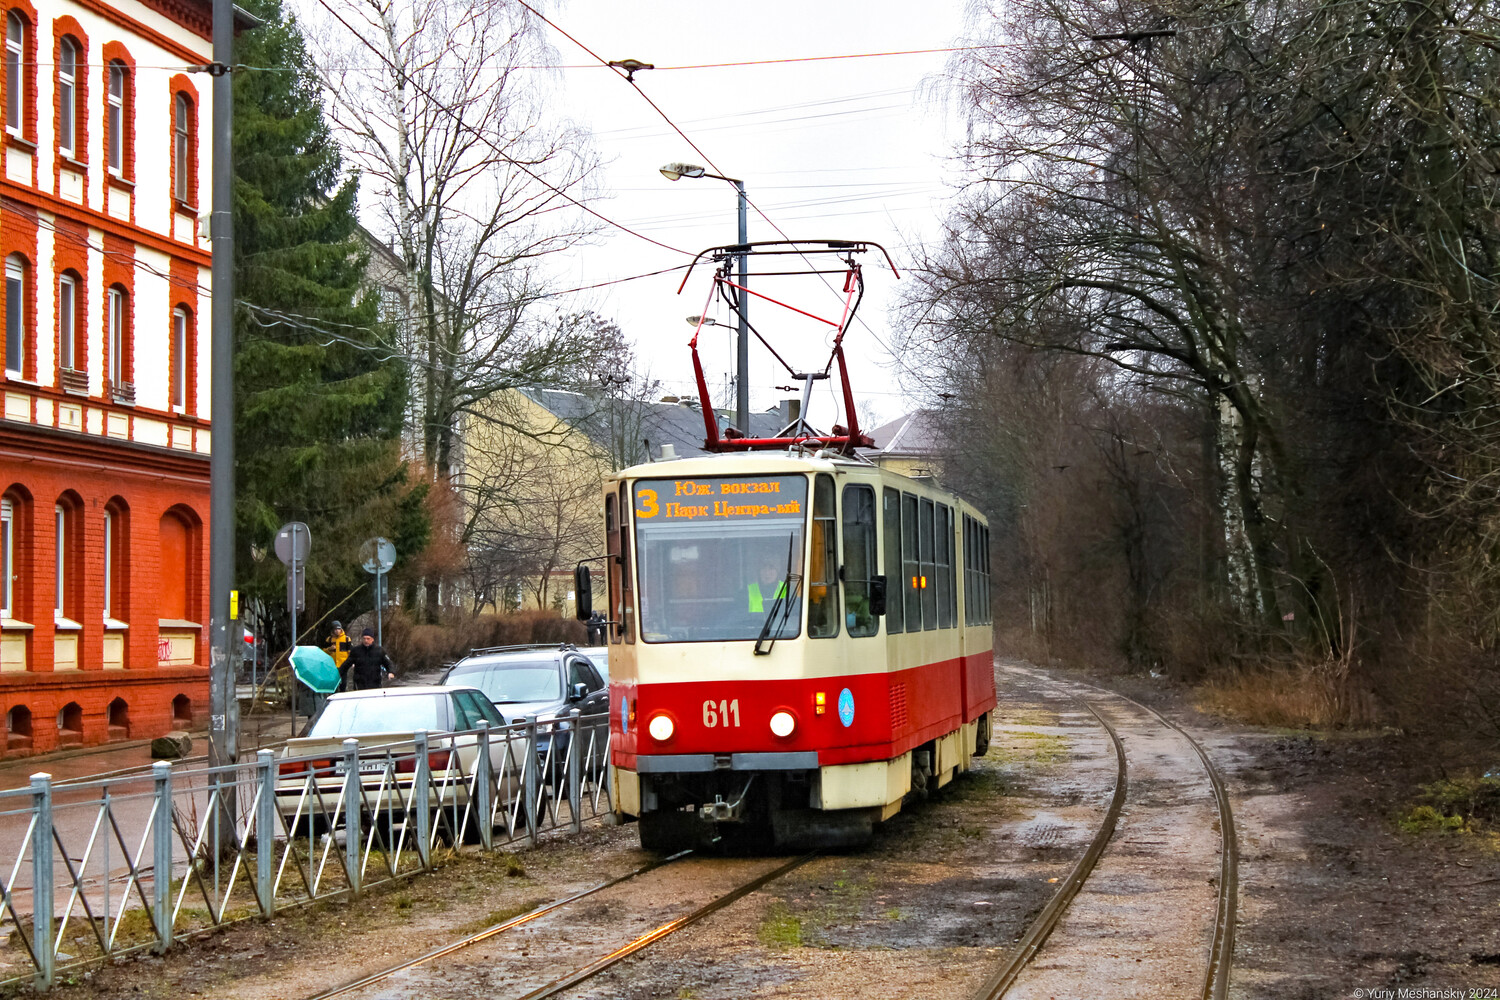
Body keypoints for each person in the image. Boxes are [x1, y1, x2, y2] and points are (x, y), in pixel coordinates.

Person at [325, 621, 352, 691]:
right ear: (333, 630)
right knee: (334, 683)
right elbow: (324, 652)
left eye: (338, 629)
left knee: (343, 682)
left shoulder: (346, 639)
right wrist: (329, 649)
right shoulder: (329, 639)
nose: (337, 631)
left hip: (343, 664)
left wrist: (351, 663)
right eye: (335, 629)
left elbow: (350, 652)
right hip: (332, 664)